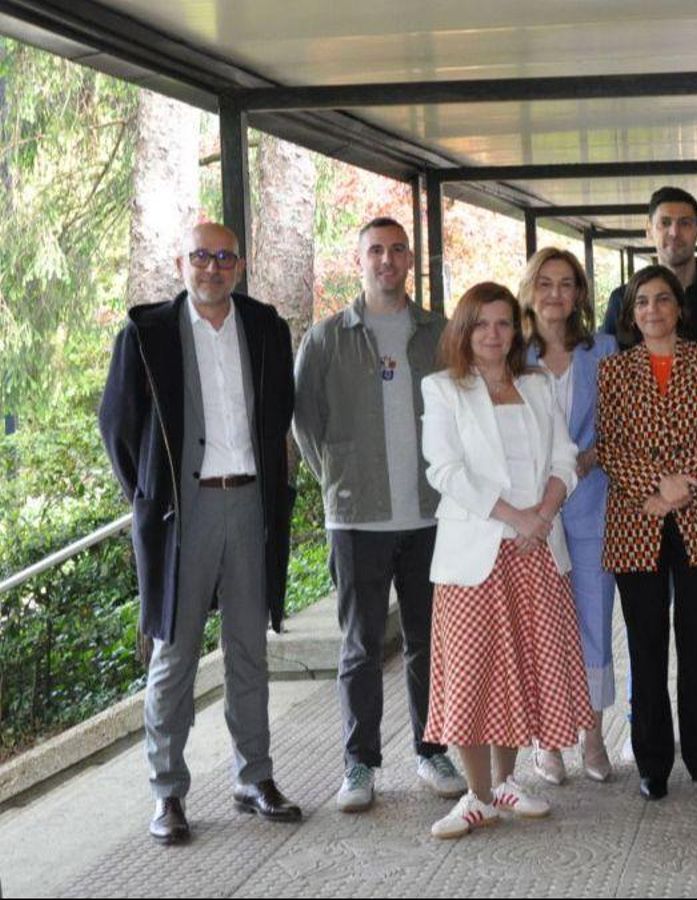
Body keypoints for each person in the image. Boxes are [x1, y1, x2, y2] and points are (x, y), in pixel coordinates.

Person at [99, 222, 302, 844]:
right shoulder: (147, 333)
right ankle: (167, 793)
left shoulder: (266, 327)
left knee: (249, 650)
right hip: (180, 516)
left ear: (239, 265)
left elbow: (280, 414)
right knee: (174, 655)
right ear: (180, 262)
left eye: (224, 257)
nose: (212, 268)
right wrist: (151, 498)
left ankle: (254, 777)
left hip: (248, 508)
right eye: (200, 257)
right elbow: (118, 426)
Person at [293, 216, 466, 813]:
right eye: (375, 251)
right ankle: (359, 764)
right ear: (359, 259)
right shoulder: (326, 338)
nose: (386, 260)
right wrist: (340, 479)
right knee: (361, 647)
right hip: (356, 519)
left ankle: (432, 750)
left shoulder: (439, 333)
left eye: (396, 250)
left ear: (410, 259)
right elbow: (305, 421)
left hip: (428, 516)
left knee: (429, 641)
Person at [418, 282, 593, 839]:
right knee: (471, 672)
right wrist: (515, 519)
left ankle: (506, 780)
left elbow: (565, 458)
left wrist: (541, 514)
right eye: (481, 324)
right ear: (463, 330)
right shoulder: (443, 388)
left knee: (518, 667)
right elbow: (444, 471)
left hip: (536, 549)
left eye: (503, 323)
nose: (494, 334)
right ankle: (475, 795)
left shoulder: (537, 386)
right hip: (477, 552)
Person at [601, 186, 697, 756]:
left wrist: (686, 485)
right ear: (650, 231)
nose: (674, 232)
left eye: (684, 223)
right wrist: (652, 488)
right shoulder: (619, 323)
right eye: (664, 223)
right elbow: (610, 435)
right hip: (639, 511)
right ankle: (649, 743)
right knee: (645, 638)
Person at [519, 246, 620, 785]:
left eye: (566, 284)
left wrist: (584, 460)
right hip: (533, 509)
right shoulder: (512, 353)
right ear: (531, 290)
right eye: (546, 283)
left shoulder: (602, 349)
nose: (555, 294)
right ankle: (546, 741)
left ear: (579, 293)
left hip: (589, 502)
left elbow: (620, 422)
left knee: (593, 619)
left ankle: (593, 734)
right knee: (542, 624)